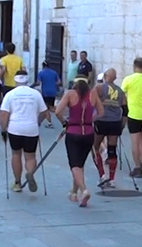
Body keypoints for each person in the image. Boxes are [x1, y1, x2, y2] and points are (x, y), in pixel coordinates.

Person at [55, 75, 104, 207]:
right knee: (80, 164)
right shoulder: (93, 94)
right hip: (88, 133)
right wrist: (90, 120)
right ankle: (74, 193)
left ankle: (84, 190)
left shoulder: (70, 94)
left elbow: (58, 111)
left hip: (73, 132)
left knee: (74, 165)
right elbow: (101, 112)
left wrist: (64, 122)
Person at [0, 70, 48, 193]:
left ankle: (17, 182)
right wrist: (38, 122)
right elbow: (45, 113)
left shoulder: (10, 94)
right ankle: (30, 173)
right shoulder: (36, 94)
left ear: (15, 80)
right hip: (31, 128)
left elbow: (4, 114)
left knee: (16, 154)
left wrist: (3, 130)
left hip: (15, 128)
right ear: (27, 79)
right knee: (30, 156)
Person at [92, 68, 127, 188]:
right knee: (112, 150)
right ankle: (112, 179)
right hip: (115, 122)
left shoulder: (99, 88)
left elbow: (91, 102)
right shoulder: (121, 91)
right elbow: (125, 110)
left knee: (95, 147)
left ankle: (102, 175)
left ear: (105, 76)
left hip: (101, 120)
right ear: (115, 78)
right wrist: (122, 125)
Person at [32, 61, 61, 128]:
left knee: (45, 108)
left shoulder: (41, 73)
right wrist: (53, 84)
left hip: (45, 92)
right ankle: (40, 122)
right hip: (53, 92)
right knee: (49, 107)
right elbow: (59, 82)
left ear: (43, 66)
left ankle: (48, 122)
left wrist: (33, 85)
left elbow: (38, 83)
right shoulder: (54, 73)